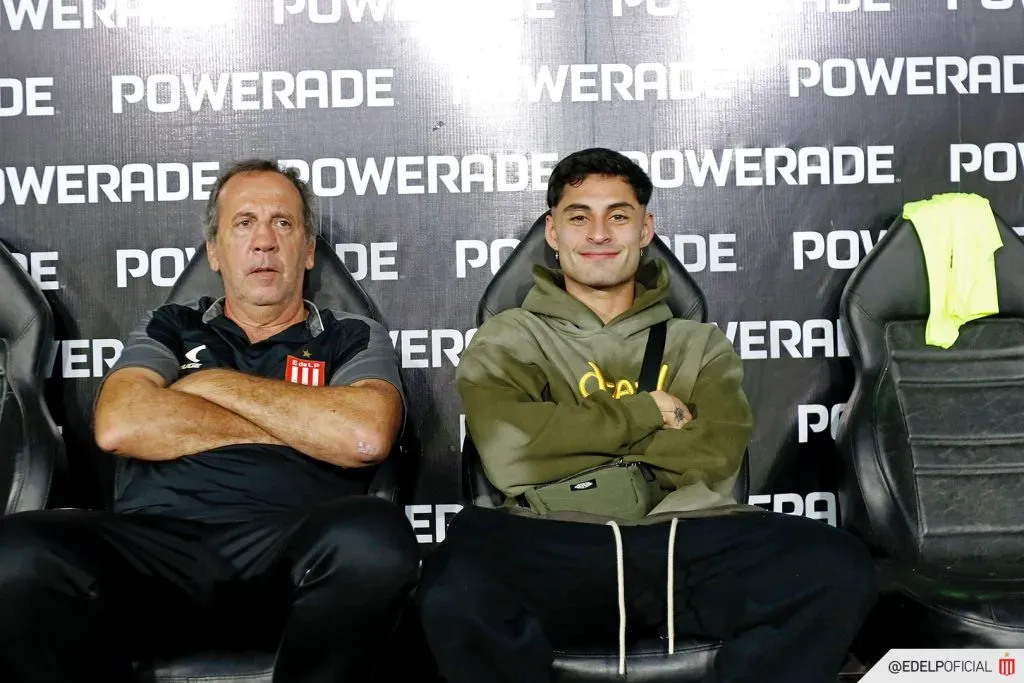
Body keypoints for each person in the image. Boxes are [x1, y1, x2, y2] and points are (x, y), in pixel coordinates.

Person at [417, 148, 877, 683]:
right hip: (552, 543)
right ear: (553, 232)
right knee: (454, 589)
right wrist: (645, 412)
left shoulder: (698, 344)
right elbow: (512, 452)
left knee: (835, 569)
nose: (598, 233)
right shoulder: (509, 337)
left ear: (645, 228)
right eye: (578, 216)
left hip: (685, 542)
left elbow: (713, 453)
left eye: (618, 215)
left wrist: (565, 439)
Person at [0, 159, 419, 683]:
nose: (264, 241)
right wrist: (301, 424)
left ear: (308, 250)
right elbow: (120, 424)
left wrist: (208, 384)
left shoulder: (349, 335)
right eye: (243, 223)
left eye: (283, 223)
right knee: (14, 553)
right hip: (154, 548)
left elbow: (364, 435)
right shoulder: (170, 325)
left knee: (374, 540)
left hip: (288, 551)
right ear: (215, 253)